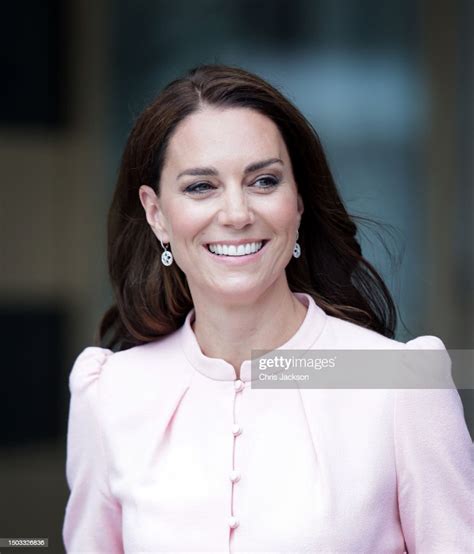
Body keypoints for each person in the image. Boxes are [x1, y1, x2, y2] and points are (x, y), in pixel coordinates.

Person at [62, 64, 473, 553]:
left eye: (263, 181)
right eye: (201, 187)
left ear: (297, 201)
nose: (237, 214)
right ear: (157, 215)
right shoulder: (107, 393)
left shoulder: (403, 385)